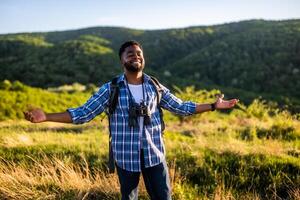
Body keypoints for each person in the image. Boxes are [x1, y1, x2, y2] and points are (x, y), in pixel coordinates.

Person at [24, 40, 239, 200]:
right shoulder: (111, 89)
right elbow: (83, 113)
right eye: (130, 53)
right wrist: (46, 117)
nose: (135, 56)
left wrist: (213, 106)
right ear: (122, 60)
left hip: (155, 156)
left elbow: (182, 107)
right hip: (126, 158)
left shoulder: (155, 86)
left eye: (138, 53)